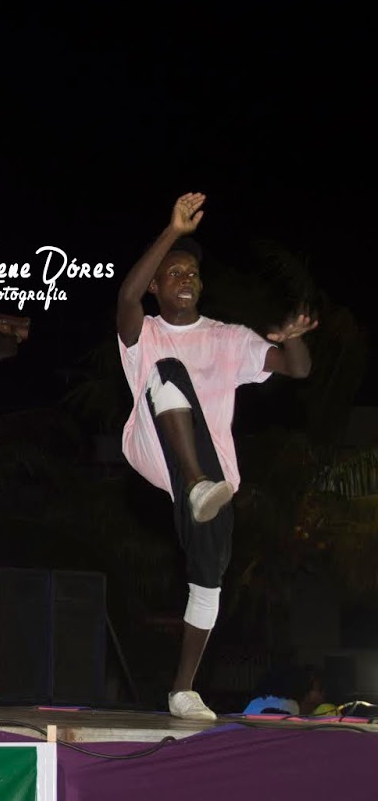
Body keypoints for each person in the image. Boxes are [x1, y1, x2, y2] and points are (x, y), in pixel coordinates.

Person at [116, 192, 316, 722]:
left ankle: (183, 690)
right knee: (167, 370)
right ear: (157, 285)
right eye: (173, 273)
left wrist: (293, 339)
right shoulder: (145, 333)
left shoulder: (228, 338)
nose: (185, 279)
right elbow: (126, 297)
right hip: (153, 446)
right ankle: (196, 481)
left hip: (215, 477)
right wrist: (173, 232)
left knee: (208, 579)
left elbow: (295, 368)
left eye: (192, 273)